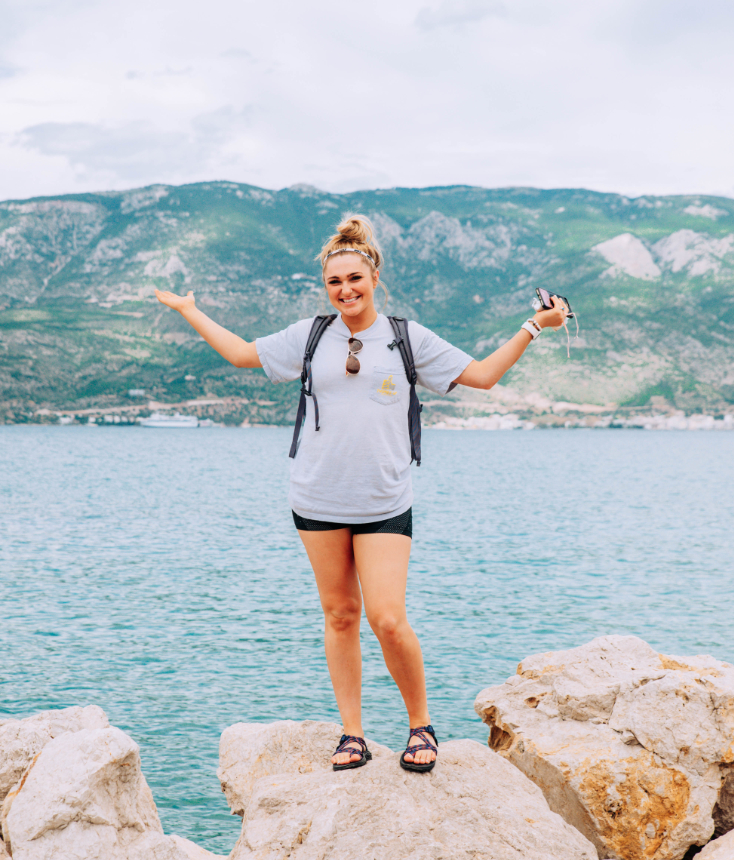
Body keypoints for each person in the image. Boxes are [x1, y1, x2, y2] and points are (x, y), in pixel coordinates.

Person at [155, 214, 567, 773]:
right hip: (316, 499)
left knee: (388, 618)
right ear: (325, 288)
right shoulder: (311, 335)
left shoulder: (406, 337)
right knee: (341, 614)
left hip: (383, 502)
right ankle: (353, 734)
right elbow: (240, 354)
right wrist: (188, 310)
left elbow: (485, 375)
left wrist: (534, 325)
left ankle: (421, 727)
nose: (345, 290)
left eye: (354, 278)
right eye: (334, 282)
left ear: (374, 277)